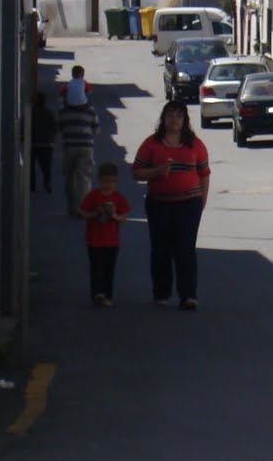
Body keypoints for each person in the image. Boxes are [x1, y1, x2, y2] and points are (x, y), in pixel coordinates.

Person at [133, 101, 210, 309]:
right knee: (161, 249)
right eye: (170, 115)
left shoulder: (195, 144)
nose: (174, 120)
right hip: (159, 204)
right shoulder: (152, 144)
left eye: (178, 116)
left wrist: (201, 202)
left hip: (189, 205)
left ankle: (188, 296)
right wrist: (156, 172)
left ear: (184, 120)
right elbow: (136, 171)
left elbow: (204, 174)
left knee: (185, 249)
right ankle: (161, 293)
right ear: (163, 118)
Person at [79, 161, 130, 307]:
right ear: (99, 180)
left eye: (112, 181)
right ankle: (97, 293)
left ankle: (107, 294)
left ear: (116, 181)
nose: (108, 185)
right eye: (105, 181)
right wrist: (96, 213)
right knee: (96, 267)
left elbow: (124, 217)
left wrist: (114, 215)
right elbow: (83, 213)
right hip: (94, 240)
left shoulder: (118, 198)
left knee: (109, 268)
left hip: (111, 241)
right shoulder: (93, 196)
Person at [58, 86, 98, 217]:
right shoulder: (90, 111)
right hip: (86, 147)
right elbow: (96, 129)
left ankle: (72, 207)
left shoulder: (64, 112)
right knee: (84, 178)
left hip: (69, 147)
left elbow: (59, 127)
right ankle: (84, 209)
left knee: (69, 177)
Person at [30, 90, 56, 193]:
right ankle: (47, 182)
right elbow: (54, 127)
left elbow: (24, 126)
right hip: (46, 143)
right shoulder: (48, 113)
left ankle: (32, 185)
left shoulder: (30, 113)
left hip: (32, 143)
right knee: (46, 165)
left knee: (31, 166)